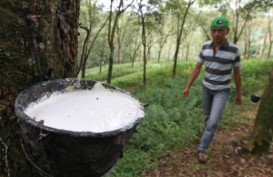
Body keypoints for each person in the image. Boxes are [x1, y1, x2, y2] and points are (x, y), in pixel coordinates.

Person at [182, 16, 242, 163]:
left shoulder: (234, 50)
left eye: (220, 30)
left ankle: (202, 148)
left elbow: (237, 73)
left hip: (222, 90)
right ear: (210, 32)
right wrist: (187, 86)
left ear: (226, 31)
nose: (217, 34)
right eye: (214, 30)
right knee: (207, 118)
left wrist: (239, 93)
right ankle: (209, 135)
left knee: (213, 121)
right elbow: (197, 68)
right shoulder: (205, 47)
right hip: (206, 88)